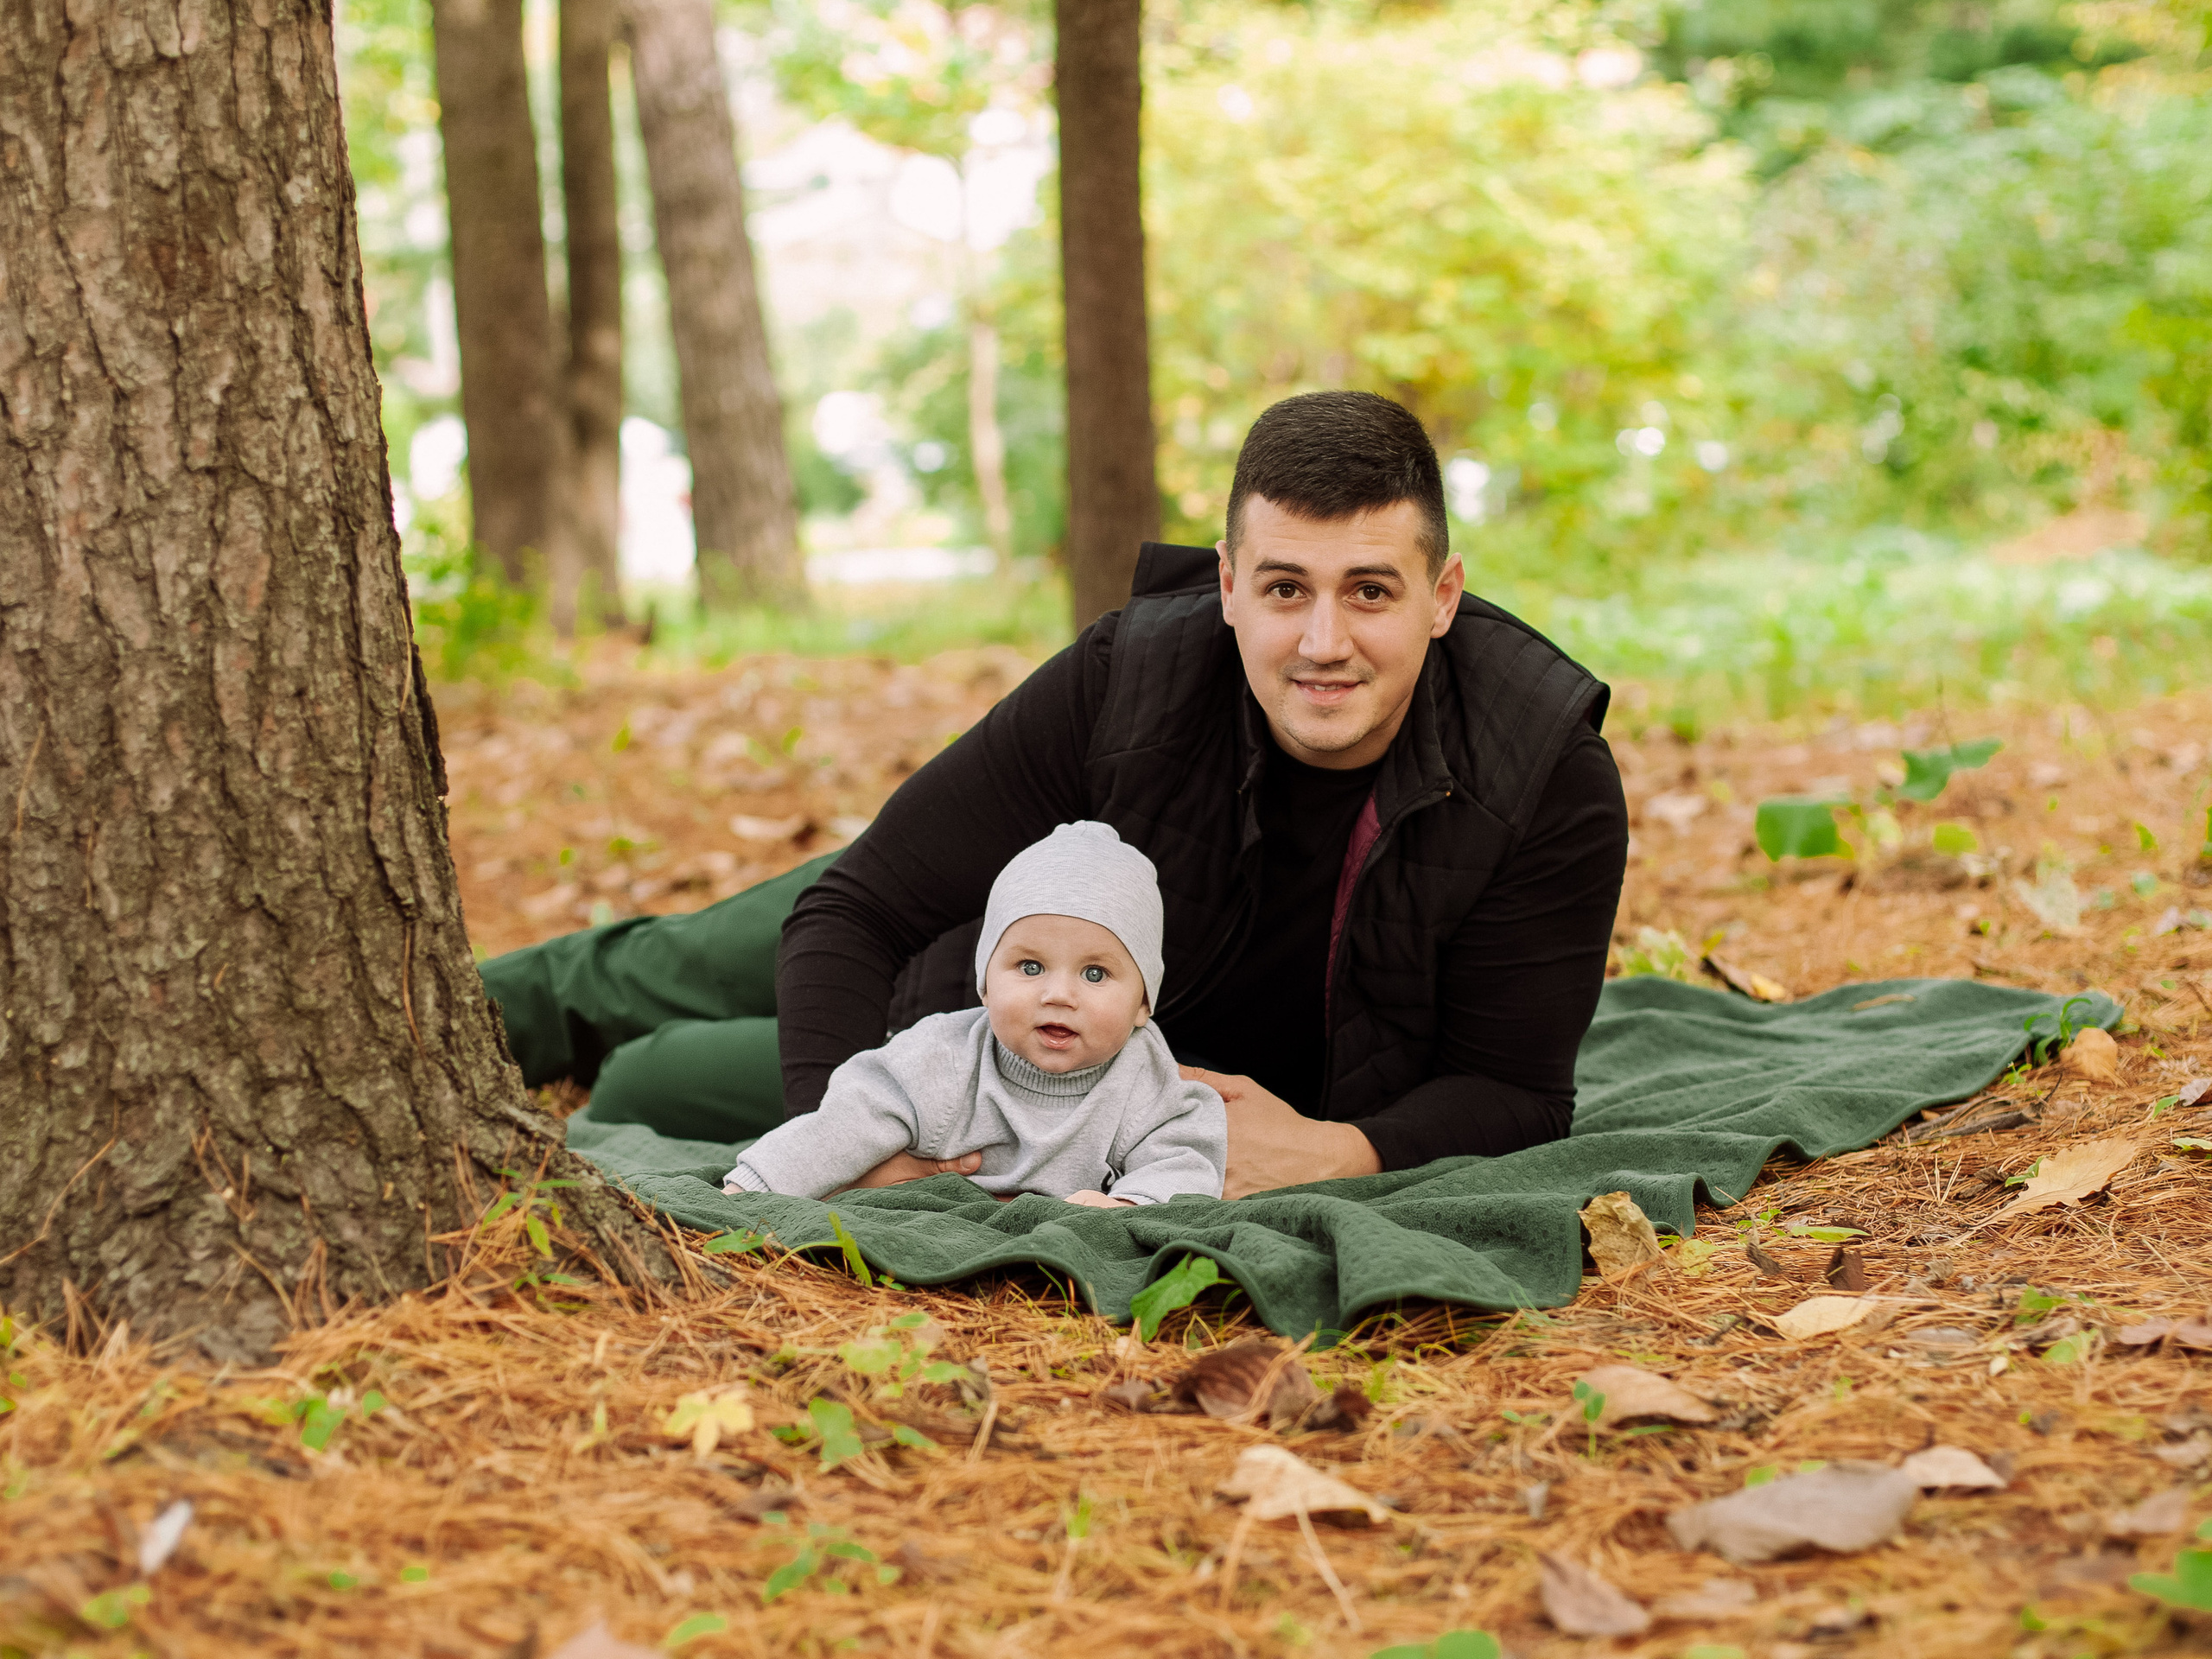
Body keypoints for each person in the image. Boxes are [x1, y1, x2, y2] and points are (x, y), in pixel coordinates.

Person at [482, 390, 1629, 1198]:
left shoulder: (1541, 773)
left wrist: (1343, 1151)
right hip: (968, 951)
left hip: (1053, 1070)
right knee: (654, 971)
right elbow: (860, 910)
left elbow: (1516, 1089)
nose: (1323, 642)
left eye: (1370, 591)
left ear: (1444, 595)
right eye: (1285, 588)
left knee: (651, 1078)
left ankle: (619, 1062)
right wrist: (845, 1135)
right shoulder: (1132, 674)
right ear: (1227, 586)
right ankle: (449, 1012)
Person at [722, 822, 1224, 1206]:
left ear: (1143, 1004)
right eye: (1030, 966)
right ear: (985, 983)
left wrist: (1131, 1204)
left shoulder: (1144, 1079)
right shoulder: (941, 1060)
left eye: (1094, 974)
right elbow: (843, 1125)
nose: (1058, 994)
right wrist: (759, 1184)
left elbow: (1184, 1157)